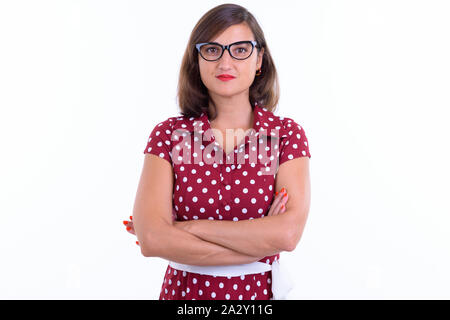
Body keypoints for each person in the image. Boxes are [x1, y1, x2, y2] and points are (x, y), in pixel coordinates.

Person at [125, 3, 311, 300]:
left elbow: (287, 235)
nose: (225, 63)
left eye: (240, 50)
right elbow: (151, 239)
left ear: (259, 58)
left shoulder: (286, 135)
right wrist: (261, 240)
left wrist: (186, 228)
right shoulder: (168, 136)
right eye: (212, 50)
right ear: (197, 59)